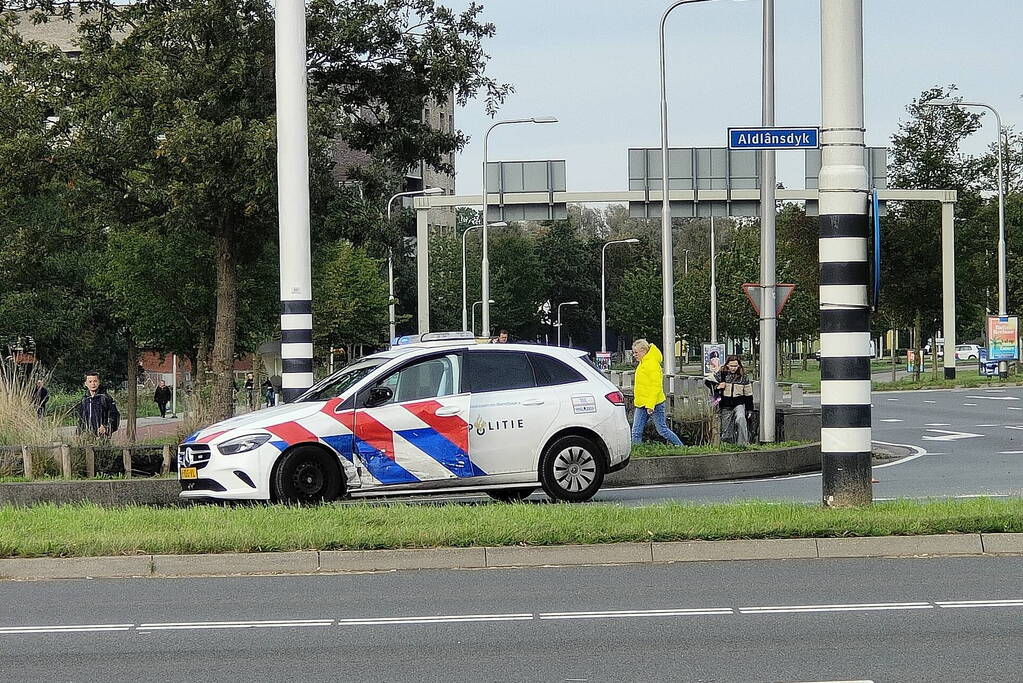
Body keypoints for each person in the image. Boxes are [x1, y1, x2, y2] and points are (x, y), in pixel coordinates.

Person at [630, 338, 683, 446]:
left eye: (636, 352)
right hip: (642, 403)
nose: (634, 355)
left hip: (654, 403)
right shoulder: (643, 363)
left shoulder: (652, 364)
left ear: (643, 351)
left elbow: (656, 386)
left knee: (662, 430)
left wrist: (650, 405)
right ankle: (636, 453)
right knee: (636, 431)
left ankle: (681, 447)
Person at [715, 355, 754, 445]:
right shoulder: (721, 374)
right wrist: (718, 387)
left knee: (741, 419)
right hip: (725, 405)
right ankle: (727, 444)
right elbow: (709, 383)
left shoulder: (743, 377)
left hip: (739, 403)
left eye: (735, 366)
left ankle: (743, 443)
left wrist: (749, 409)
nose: (733, 368)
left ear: (739, 365)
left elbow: (748, 394)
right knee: (726, 429)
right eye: (731, 366)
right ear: (727, 365)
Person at [77, 371, 118, 439]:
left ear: (99, 382)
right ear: (86, 384)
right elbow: (81, 419)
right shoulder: (84, 399)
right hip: (87, 436)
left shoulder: (105, 398)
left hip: (102, 436)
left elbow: (114, 415)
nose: (93, 384)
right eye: (90, 382)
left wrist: (106, 427)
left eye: (95, 381)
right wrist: (78, 433)